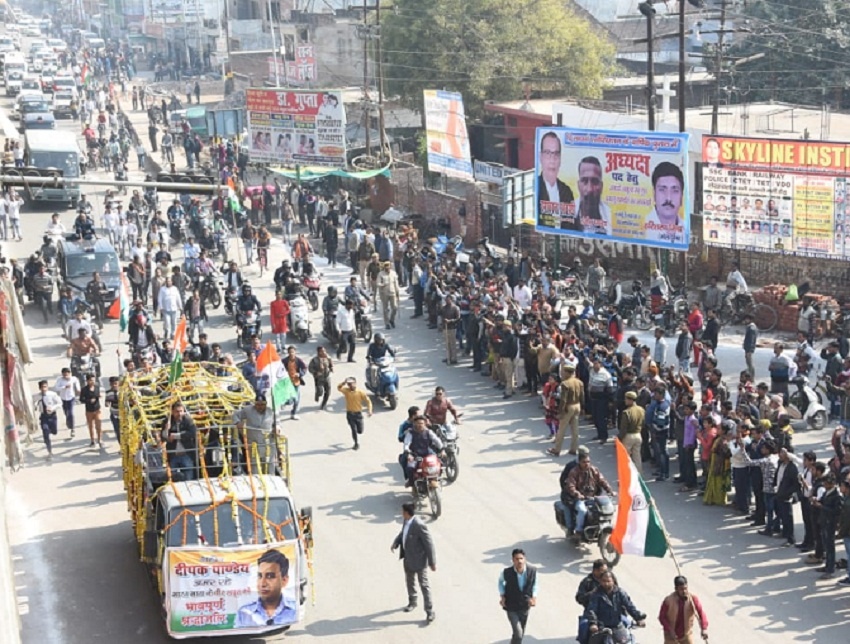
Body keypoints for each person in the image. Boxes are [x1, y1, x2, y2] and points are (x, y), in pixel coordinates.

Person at [390, 502, 436, 623]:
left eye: (402, 512)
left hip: (420, 561)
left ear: (407, 513)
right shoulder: (406, 521)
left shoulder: (419, 525)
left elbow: (429, 544)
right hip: (408, 559)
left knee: (424, 586)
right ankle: (412, 601)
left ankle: (430, 611)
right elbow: (403, 533)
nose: (401, 514)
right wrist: (396, 542)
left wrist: (432, 562)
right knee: (410, 582)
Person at [234, 549, 298, 627]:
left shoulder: (295, 610)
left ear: (284, 580)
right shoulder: (244, 613)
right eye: (260, 576)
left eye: (270, 576)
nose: (263, 583)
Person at [584, 571, 646, 642]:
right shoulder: (596, 594)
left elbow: (629, 606)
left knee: (628, 641)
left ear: (613, 581)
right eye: (604, 581)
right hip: (602, 628)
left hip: (618, 626)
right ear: (600, 581)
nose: (606, 583)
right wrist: (593, 624)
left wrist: (638, 618)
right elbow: (592, 610)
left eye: (608, 581)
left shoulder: (620, 593)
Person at [565, 452, 615, 538]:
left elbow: (602, 481)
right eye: (584, 462)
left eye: (588, 461)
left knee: (604, 509)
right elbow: (571, 485)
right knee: (582, 511)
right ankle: (578, 531)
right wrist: (577, 494)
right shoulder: (574, 472)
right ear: (579, 462)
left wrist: (610, 491)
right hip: (580, 499)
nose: (586, 464)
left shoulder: (594, 470)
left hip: (593, 497)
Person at [498, 548, 538, 644]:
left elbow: (535, 585)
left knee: (519, 635)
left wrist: (534, 597)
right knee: (518, 633)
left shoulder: (532, 571)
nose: (519, 561)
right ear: (513, 560)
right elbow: (500, 582)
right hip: (511, 606)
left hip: (524, 606)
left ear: (525, 559)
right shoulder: (507, 572)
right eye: (517, 559)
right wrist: (502, 595)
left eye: (521, 558)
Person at [537, 131, 576, 227]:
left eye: (556, 154)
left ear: (560, 159)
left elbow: (571, 224)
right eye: (547, 153)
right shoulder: (535, 187)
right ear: (540, 157)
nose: (552, 160)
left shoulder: (566, 191)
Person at [644, 161, 686, 246]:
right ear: (654, 193)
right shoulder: (640, 228)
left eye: (675, 191)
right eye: (662, 190)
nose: (668, 198)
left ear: (681, 196)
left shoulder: (687, 230)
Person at [657, 575, 709, 644]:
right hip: (671, 635)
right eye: (681, 589)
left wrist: (704, 628)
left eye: (685, 588)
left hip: (686, 635)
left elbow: (701, 613)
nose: (684, 591)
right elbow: (662, 617)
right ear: (676, 589)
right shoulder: (668, 601)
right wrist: (669, 629)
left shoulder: (692, 599)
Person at [548, 363, 584, 457]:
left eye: (564, 372)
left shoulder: (565, 383)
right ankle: (573, 449)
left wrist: (560, 412)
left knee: (561, 429)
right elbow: (582, 396)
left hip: (569, 407)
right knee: (575, 429)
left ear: (567, 372)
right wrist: (582, 408)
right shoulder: (579, 382)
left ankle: (557, 449)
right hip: (577, 405)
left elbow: (563, 400)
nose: (562, 374)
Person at [160, 401, 198, 480]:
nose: (179, 414)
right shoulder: (167, 421)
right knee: (173, 477)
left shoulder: (188, 420)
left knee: (188, 477)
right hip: (173, 454)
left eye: (181, 411)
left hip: (186, 454)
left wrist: (177, 436)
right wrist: (166, 429)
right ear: (172, 412)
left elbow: (192, 433)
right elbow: (163, 437)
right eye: (177, 411)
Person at [402, 415, 445, 486]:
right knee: (410, 468)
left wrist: (442, 449)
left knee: (440, 463)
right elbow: (406, 444)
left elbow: (437, 440)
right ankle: (411, 482)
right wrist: (408, 454)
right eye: (418, 423)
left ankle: (436, 478)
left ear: (425, 423)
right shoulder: (410, 433)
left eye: (421, 423)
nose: (420, 425)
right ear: (414, 424)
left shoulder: (429, 432)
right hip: (414, 454)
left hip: (427, 452)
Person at [575, 156, 612, 235]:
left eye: (595, 182)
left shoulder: (611, 217)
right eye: (584, 181)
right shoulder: (567, 212)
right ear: (578, 185)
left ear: (601, 186)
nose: (589, 189)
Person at [337, 377, 372, 450]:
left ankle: (357, 435)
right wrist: (343, 382)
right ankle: (356, 443)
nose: (350, 386)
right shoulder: (346, 391)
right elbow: (339, 387)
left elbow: (368, 401)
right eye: (349, 384)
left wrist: (370, 410)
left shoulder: (360, 392)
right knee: (354, 429)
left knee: (360, 430)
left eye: (352, 384)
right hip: (350, 414)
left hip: (358, 415)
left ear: (355, 384)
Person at [34, 379, 62, 459]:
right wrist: (35, 406)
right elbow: (31, 403)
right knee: (45, 432)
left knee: (54, 431)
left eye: (45, 387)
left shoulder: (52, 394)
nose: (44, 389)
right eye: (42, 387)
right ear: (39, 388)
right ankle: (49, 451)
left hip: (52, 416)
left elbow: (60, 403)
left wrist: (53, 408)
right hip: (44, 417)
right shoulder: (37, 396)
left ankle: (50, 431)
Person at [54, 367, 80, 439]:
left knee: (71, 413)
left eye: (67, 374)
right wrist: (64, 387)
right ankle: (68, 422)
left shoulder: (73, 378)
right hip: (63, 399)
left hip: (71, 398)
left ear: (69, 373)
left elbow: (77, 382)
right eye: (64, 375)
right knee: (66, 413)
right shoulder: (60, 380)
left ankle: (72, 429)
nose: (66, 376)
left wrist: (78, 389)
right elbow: (56, 388)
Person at [79, 373, 103, 449]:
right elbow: (81, 399)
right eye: (90, 380)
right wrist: (89, 401)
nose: (92, 381)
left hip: (97, 409)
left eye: (93, 380)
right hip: (89, 410)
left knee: (98, 425)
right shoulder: (84, 389)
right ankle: (92, 440)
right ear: (87, 381)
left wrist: (99, 396)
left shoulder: (97, 387)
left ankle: (99, 439)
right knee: (91, 426)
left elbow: (98, 395)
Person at [308, 346, 333, 410]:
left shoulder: (328, 358)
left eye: (324, 351)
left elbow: (330, 364)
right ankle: (317, 394)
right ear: (318, 352)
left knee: (328, 392)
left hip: (327, 377)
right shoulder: (314, 360)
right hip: (319, 378)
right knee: (320, 392)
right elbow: (310, 368)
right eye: (322, 351)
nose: (324, 352)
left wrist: (331, 368)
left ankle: (323, 404)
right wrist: (315, 373)